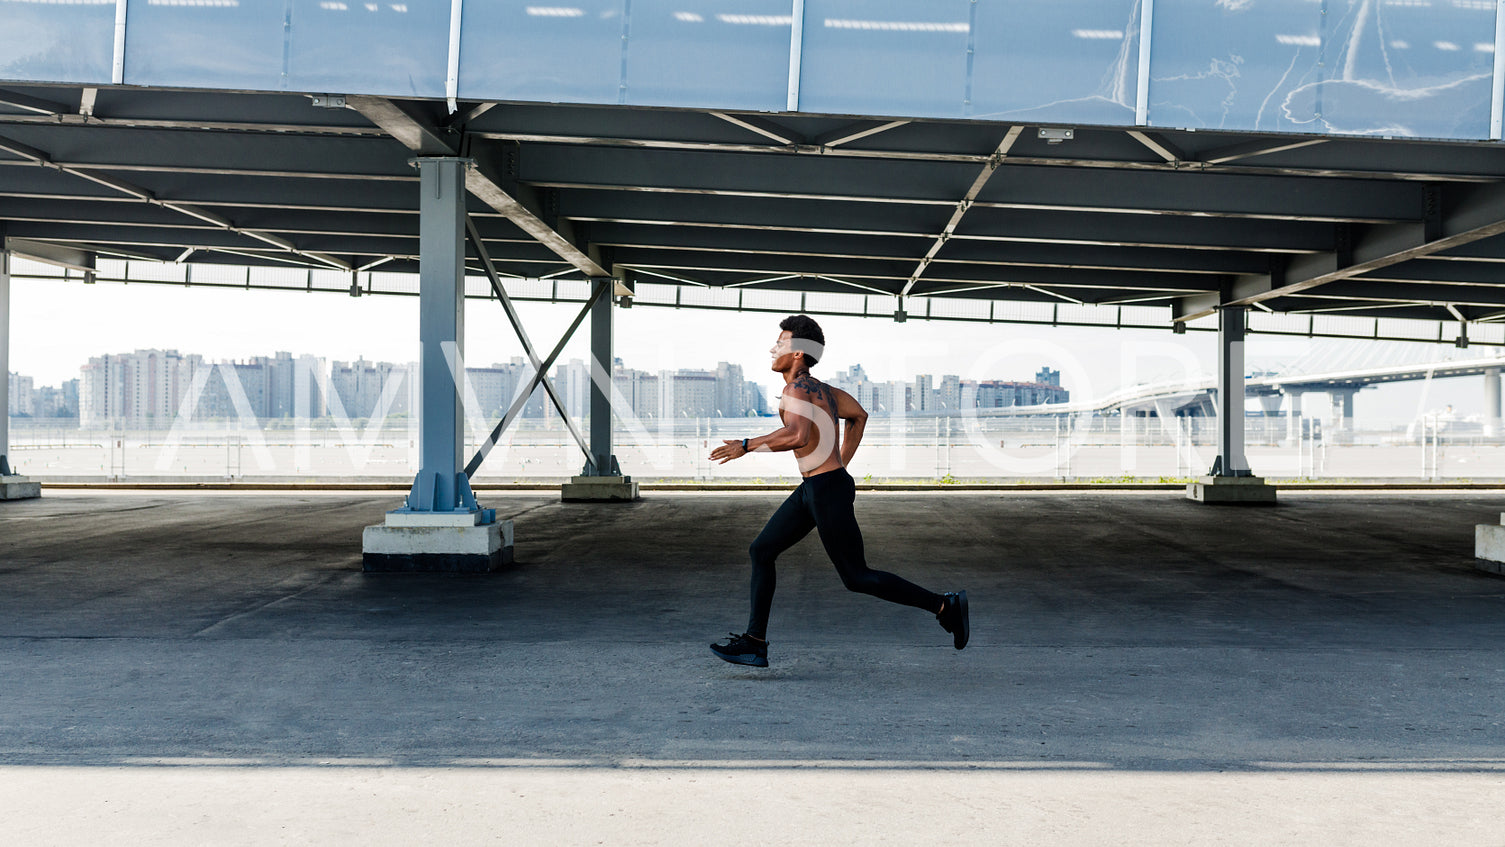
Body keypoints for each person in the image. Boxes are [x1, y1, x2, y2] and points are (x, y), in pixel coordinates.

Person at [707, 315, 969, 668]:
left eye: (781, 342)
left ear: (798, 352)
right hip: (817, 487)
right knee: (762, 550)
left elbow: (798, 435)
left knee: (856, 576)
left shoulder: (796, 389)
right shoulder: (824, 391)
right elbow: (858, 415)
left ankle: (945, 606)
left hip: (825, 489)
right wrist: (839, 463)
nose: (773, 348)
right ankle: (754, 642)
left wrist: (746, 444)